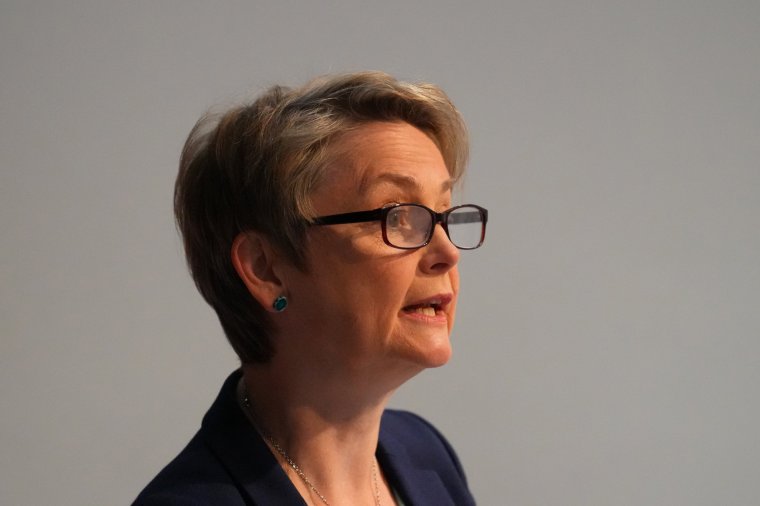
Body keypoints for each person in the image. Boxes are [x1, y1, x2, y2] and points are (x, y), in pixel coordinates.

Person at [133, 71, 487, 506]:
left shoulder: (426, 454)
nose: (447, 252)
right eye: (397, 215)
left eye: (443, 213)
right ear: (267, 269)